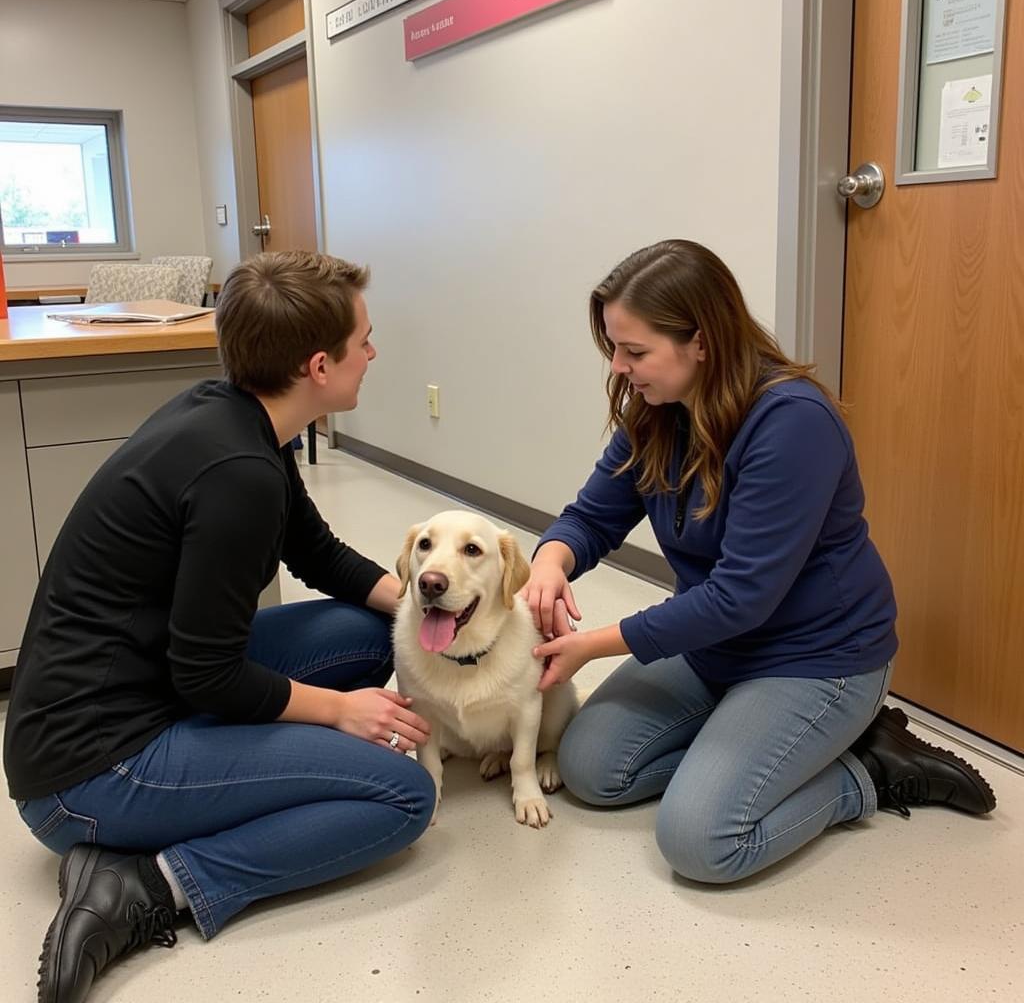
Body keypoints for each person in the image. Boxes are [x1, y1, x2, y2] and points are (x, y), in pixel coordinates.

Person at [3, 251, 436, 1003]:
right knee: (403, 797)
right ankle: (147, 883)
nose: (373, 352)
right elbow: (208, 675)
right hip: (89, 771)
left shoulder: (236, 414)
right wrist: (339, 710)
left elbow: (317, 553)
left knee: (377, 635)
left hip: (144, 692)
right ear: (318, 366)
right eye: (363, 340)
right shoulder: (236, 473)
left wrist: (447, 614)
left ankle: (197, 803)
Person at [525, 239, 996, 885]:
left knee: (700, 841)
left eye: (635, 352)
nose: (618, 367)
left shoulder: (792, 422)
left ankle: (869, 770)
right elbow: (591, 517)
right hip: (717, 650)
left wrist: (592, 644)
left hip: (817, 658)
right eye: (613, 347)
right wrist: (550, 561)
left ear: (702, 342)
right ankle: (754, 747)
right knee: (589, 769)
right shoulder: (657, 412)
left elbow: (739, 598)